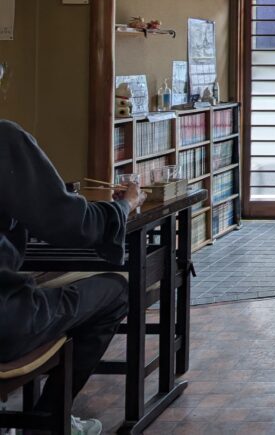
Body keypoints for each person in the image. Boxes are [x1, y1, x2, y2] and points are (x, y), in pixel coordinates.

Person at [0, 120, 146, 435]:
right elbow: (74, 224)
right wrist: (124, 206)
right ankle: (48, 421)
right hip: (6, 324)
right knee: (115, 291)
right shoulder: (4, 138)